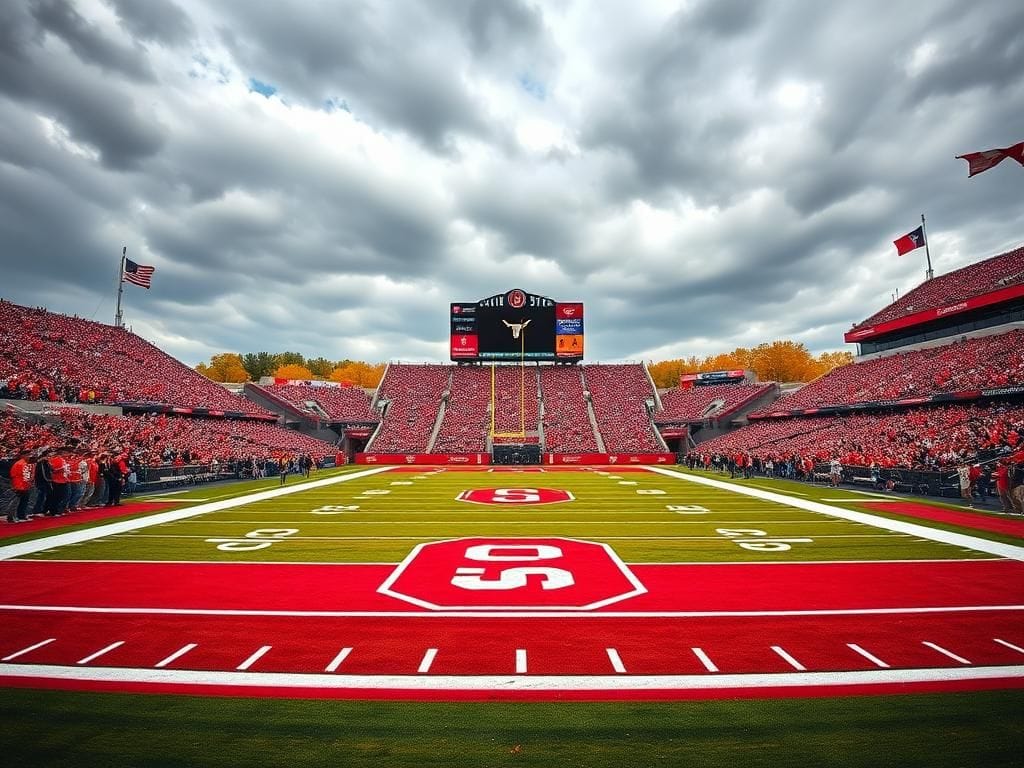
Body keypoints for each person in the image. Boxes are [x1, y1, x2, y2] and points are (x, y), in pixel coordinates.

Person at [8, 449, 34, 523]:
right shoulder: (20, 464)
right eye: (27, 455)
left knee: (23, 501)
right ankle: (12, 516)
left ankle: (21, 515)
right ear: (23, 455)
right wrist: (17, 484)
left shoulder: (21, 463)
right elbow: (15, 475)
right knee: (17, 501)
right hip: (20, 485)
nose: (29, 457)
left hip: (23, 485)